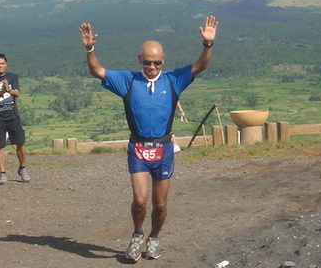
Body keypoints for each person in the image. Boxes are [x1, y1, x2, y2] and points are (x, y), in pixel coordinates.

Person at [79, 15, 218, 261]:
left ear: (163, 60)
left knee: (160, 204)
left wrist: (207, 44)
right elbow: (97, 71)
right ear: (139, 60)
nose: (151, 67)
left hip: (163, 149)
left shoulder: (173, 79)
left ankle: (154, 237)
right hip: (138, 149)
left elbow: (201, 65)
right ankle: (137, 234)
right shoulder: (128, 81)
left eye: (156, 62)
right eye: (147, 62)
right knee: (140, 200)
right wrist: (90, 49)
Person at [0, 54, 29, 185]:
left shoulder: (12, 77)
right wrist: (2, 92)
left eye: (2, 63)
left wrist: (8, 90)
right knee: (0, 146)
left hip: (13, 116)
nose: (0, 66)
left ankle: (22, 168)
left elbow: (17, 93)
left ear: (6, 64)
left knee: (20, 143)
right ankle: (3, 173)